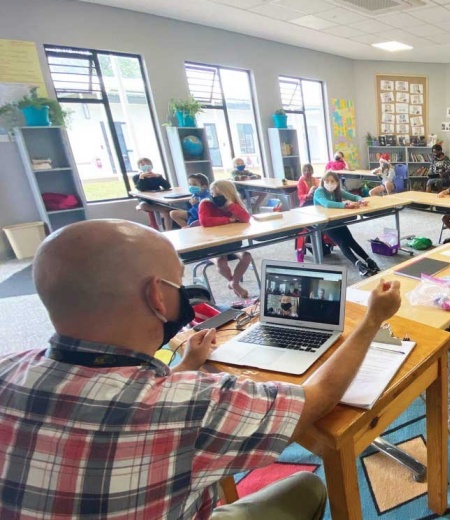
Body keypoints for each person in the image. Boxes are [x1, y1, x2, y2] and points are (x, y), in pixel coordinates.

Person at [0, 218, 403, 519]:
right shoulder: (192, 403)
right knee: (309, 488)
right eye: (180, 285)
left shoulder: (7, 370)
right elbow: (317, 400)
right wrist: (371, 321)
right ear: (158, 297)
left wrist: (189, 363)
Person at [314, 171, 381, 277]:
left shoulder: (337, 190)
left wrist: (361, 200)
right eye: (327, 181)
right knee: (342, 242)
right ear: (323, 181)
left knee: (351, 240)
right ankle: (358, 264)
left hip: (337, 220)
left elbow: (354, 197)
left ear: (337, 182)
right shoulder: (319, 191)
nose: (329, 183)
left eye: (332, 181)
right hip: (325, 223)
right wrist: (345, 205)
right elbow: (326, 204)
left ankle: (369, 260)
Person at [199, 180, 254, 299]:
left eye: (219, 195)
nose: (215, 197)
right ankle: (234, 284)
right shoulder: (206, 204)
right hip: (212, 244)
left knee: (246, 256)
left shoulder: (232, 205)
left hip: (230, 243)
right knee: (221, 261)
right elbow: (205, 221)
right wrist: (228, 220)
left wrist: (229, 205)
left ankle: (234, 283)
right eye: (213, 194)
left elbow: (245, 218)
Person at [133, 157, 173, 230]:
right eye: (142, 164)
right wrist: (142, 177)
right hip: (145, 200)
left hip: (158, 199)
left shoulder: (156, 176)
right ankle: (166, 208)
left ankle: (168, 231)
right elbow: (140, 188)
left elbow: (167, 186)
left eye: (148, 164)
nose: (146, 166)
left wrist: (159, 177)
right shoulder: (136, 177)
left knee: (167, 214)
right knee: (143, 205)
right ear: (139, 167)